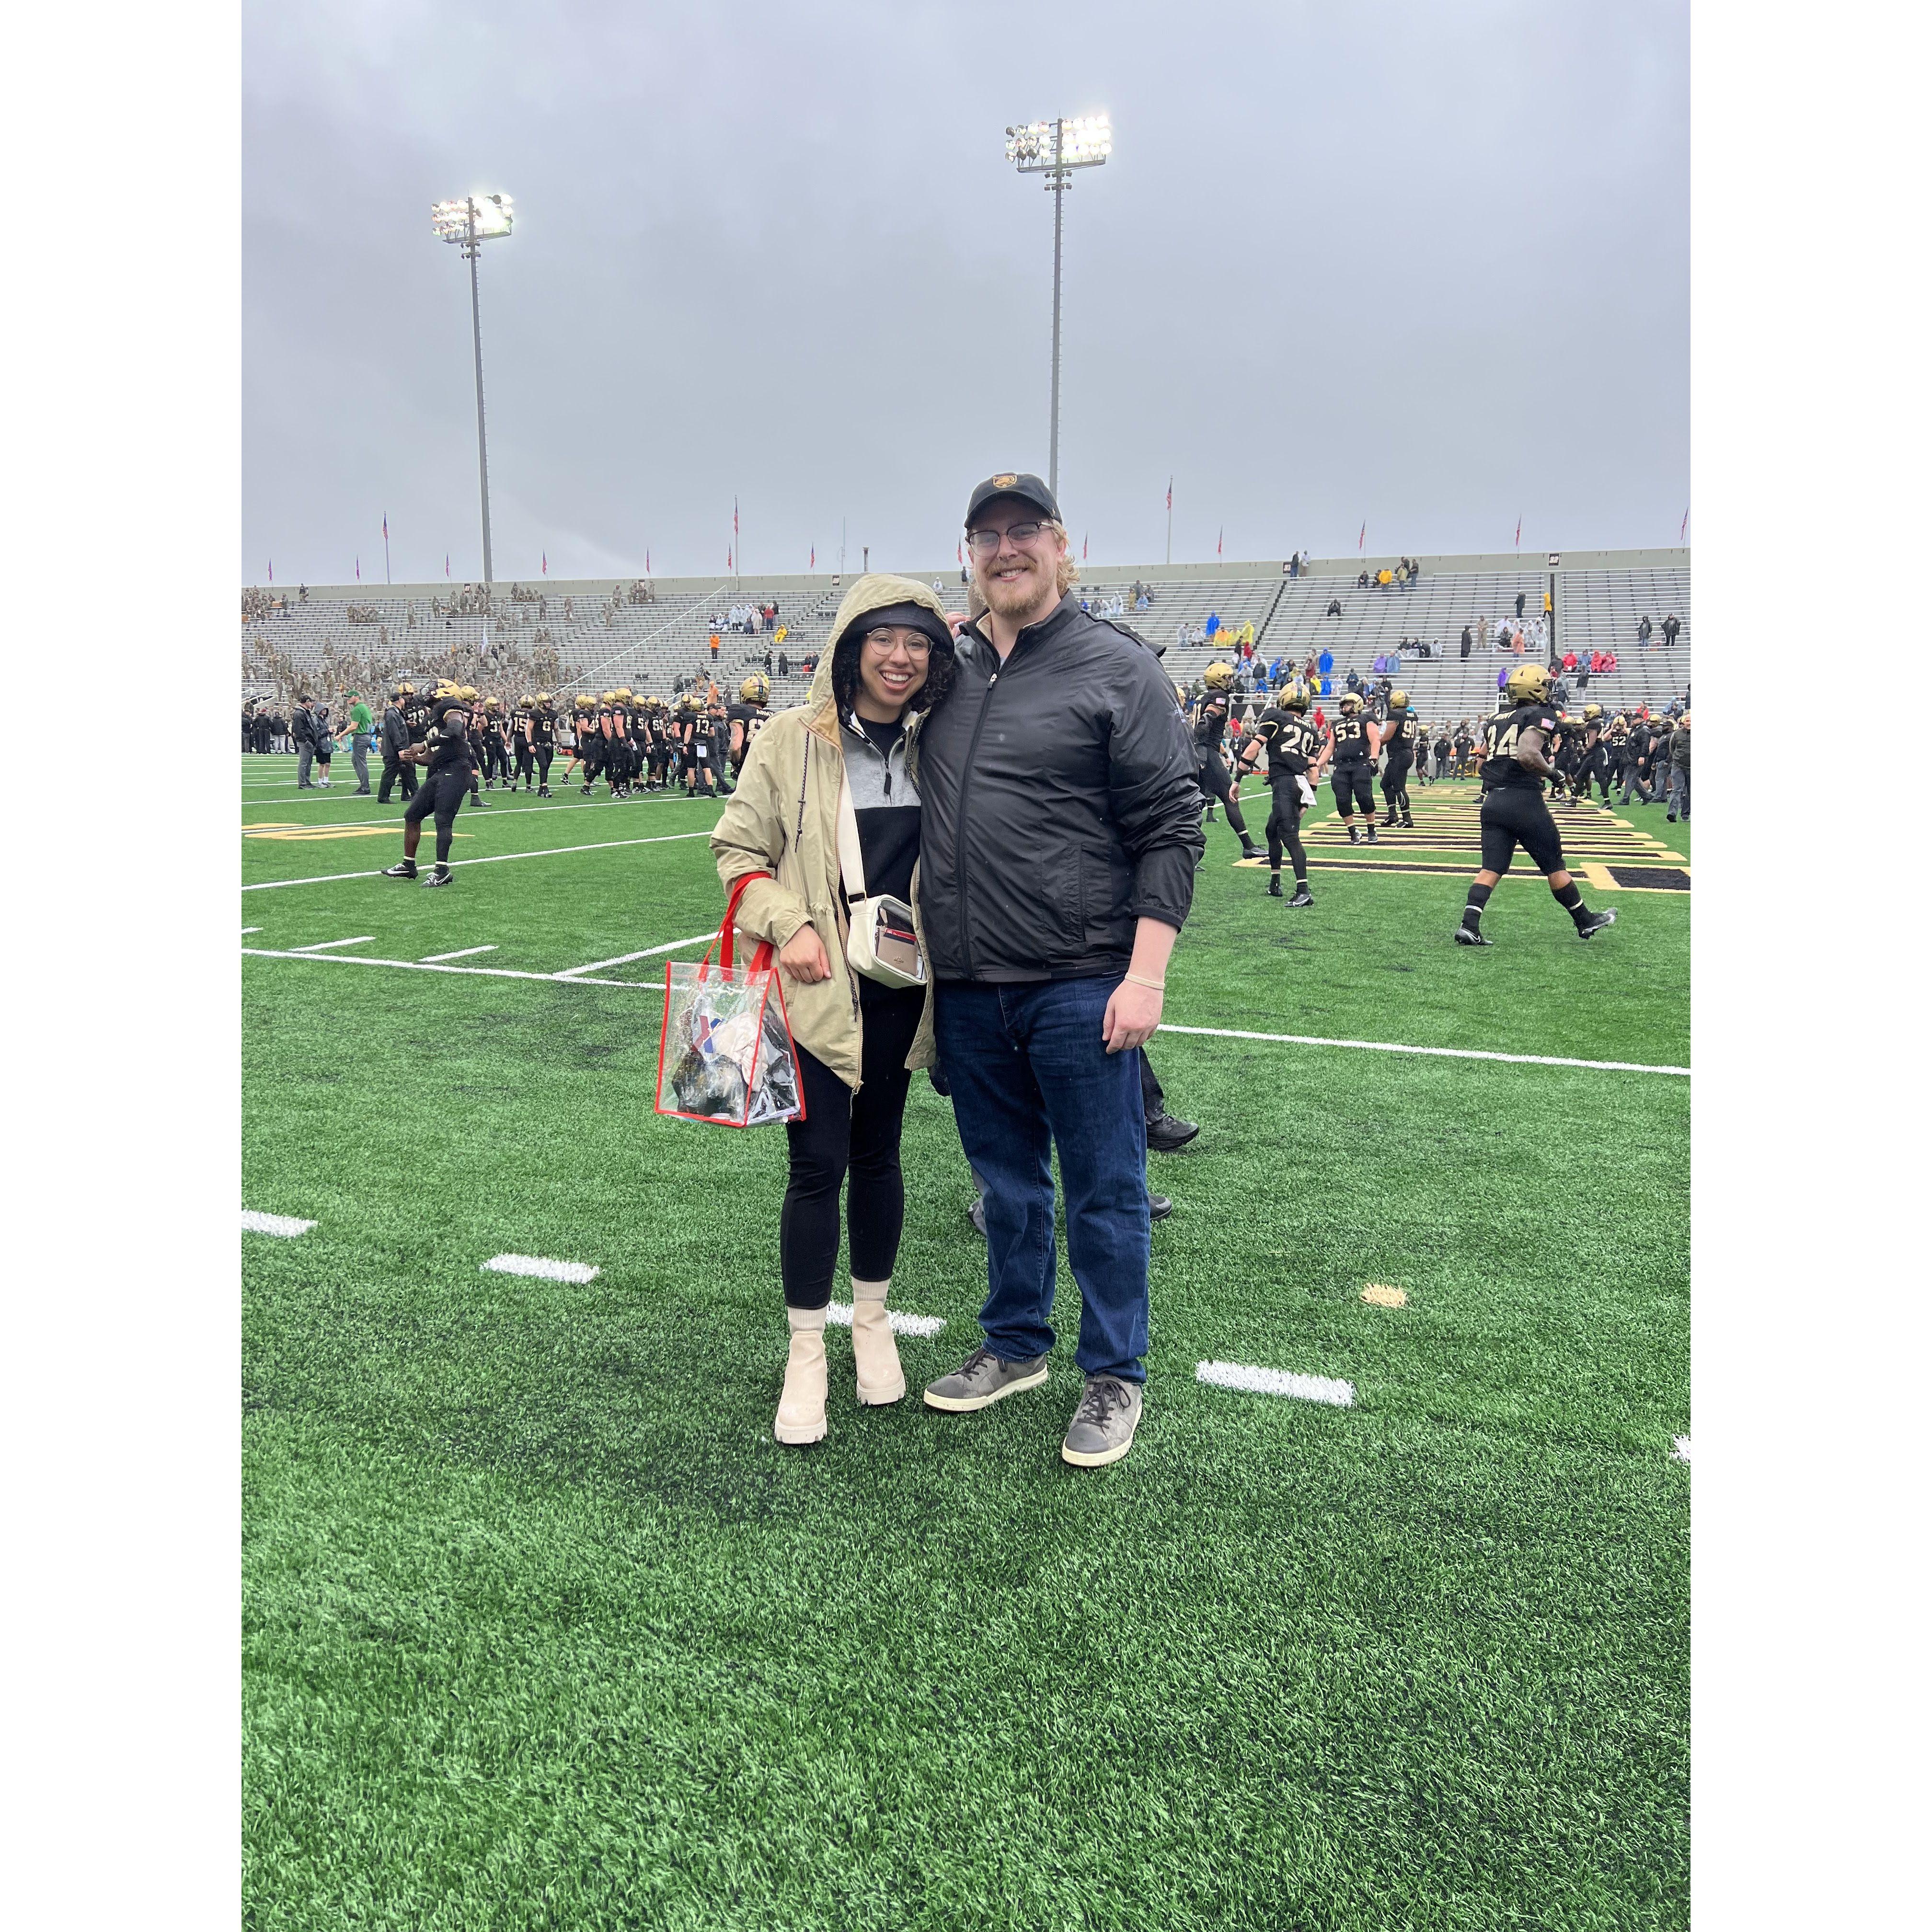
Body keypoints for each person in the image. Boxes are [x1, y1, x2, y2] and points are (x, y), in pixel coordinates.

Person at [917, 472, 1205, 1470]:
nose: (1006, 549)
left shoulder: (1115, 665)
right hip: (967, 982)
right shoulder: (947, 669)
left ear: (1061, 545)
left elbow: (1173, 824)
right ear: (969, 553)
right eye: (987, 535)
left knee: (1104, 1187)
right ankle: (1015, 1345)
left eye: (1023, 532)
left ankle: (1115, 1372)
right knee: (1005, 1184)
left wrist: (1147, 974)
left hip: (1082, 977)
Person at [711, 575, 954, 1447]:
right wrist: (790, 924)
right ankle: (806, 1349)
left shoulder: (940, 741)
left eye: (918, 642)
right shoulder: (789, 738)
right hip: (815, 988)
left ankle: (873, 1321)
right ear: (851, 646)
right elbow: (736, 850)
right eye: (884, 639)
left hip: (902, 986)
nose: (900, 657)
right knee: (815, 1166)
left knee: (880, 1156)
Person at [1454, 663, 1617, 947]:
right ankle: (1585, 921)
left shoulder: (1495, 718)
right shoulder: (1541, 713)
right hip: (1524, 800)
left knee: (1492, 867)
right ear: (1536, 688)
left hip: (1494, 801)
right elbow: (1528, 754)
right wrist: (1555, 776)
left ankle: (1469, 926)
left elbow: (1480, 761)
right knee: (1554, 865)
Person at [1237, 680, 1323, 905]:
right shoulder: (1310, 730)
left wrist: (1237, 779)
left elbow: (1254, 747)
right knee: (1272, 831)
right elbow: (1313, 770)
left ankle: (1304, 891)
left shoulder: (1275, 716)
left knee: (1290, 837)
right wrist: (1307, 799)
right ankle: (1275, 884)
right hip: (1298, 784)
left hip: (1285, 784)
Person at [383, 681, 474, 887]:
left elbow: (456, 729)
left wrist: (423, 744)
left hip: (457, 769)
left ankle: (442, 870)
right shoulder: (432, 716)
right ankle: (409, 865)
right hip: (441, 770)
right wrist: (413, 757)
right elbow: (431, 758)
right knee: (412, 815)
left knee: (442, 820)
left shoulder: (451, 706)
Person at [1190, 667, 1264, 861]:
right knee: (1230, 796)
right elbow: (1208, 718)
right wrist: (1203, 728)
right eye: (1229, 678)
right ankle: (1249, 847)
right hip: (1206, 752)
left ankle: (1190, 853)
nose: (1232, 681)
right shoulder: (1220, 695)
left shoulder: (1202, 697)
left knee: (1195, 804)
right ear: (1219, 680)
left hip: (1197, 753)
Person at [1322, 691, 1381, 844]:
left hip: (1360, 764)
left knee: (1365, 798)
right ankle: (1353, 832)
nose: (1345, 708)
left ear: (1358, 705)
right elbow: (1330, 747)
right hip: (1341, 766)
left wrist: (1374, 758)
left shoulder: (1366, 718)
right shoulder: (1337, 724)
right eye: (1343, 705)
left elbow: (1375, 739)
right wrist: (1318, 763)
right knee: (1342, 800)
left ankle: (1371, 829)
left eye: (1348, 704)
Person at [1378, 688, 1418, 829]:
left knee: (1399, 787)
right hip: (1405, 753)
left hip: (1399, 755)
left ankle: (1407, 819)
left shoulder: (1395, 714)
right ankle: (1392, 816)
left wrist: (1376, 743)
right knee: (1385, 784)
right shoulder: (1412, 714)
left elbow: (1388, 736)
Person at [377, 686, 416, 804]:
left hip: (396, 749)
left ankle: (415, 794)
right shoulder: (392, 714)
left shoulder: (395, 713)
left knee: (409, 771)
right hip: (394, 751)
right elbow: (395, 733)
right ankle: (383, 797)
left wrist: (406, 724)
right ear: (400, 700)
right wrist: (400, 749)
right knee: (390, 774)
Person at [1666, 711, 1691, 821]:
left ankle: (1685, 813)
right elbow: (1672, 748)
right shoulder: (1676, 734)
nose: (1689, 723)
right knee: (1677, 790)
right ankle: (1672, 813)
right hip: (1678, 766)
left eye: (1691, 721)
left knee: (1691, 792)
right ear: (1683, 722)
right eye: (1687, 721)